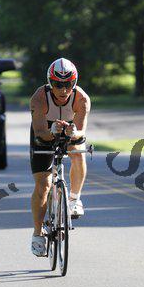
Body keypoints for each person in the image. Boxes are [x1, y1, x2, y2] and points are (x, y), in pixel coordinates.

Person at [29, 58, 91, 257]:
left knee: (78, 153)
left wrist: (74, 133)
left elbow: (81, 132)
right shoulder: (39, 98)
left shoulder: (81, 99)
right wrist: (52, 131)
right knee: (43, 185)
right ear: (50, 83)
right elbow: (40, 133)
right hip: (45, 132)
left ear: (74, 82)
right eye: (58, 84)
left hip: (71, 129)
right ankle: (37, 234)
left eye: (68, 84)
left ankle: (74, 199)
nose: (64, 90)